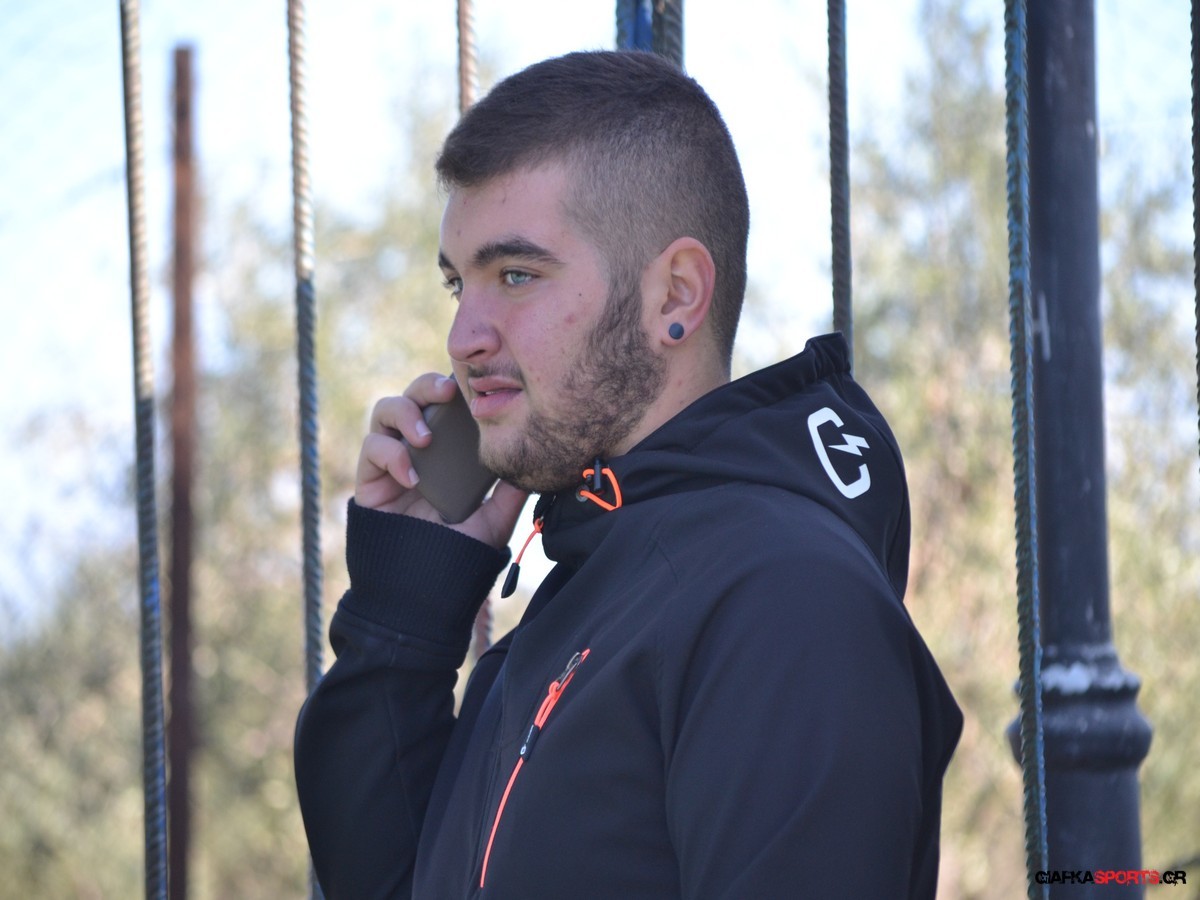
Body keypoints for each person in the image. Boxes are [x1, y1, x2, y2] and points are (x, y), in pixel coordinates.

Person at [294, 49, 961, 899]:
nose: (464, 338)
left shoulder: (784, 600)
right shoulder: (583, 597)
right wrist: (401, 620)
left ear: (675, 296)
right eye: (459, 285)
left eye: (516, 275)